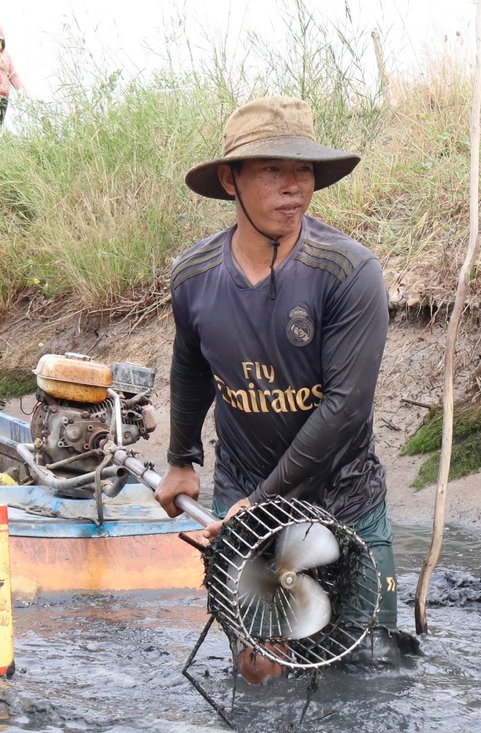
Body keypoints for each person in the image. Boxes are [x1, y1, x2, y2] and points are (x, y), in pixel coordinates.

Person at [154, 95, 399, 680]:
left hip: (343, 501)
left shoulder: (347, 272)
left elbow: (344, 408)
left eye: (305, 170)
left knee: (373, 670)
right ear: (229, 179)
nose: (294, 186)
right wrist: (182, 458)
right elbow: (191, 364)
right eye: (273, 169)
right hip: (243, 492)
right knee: (260, 672)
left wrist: (260, 503)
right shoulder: (193, 277)